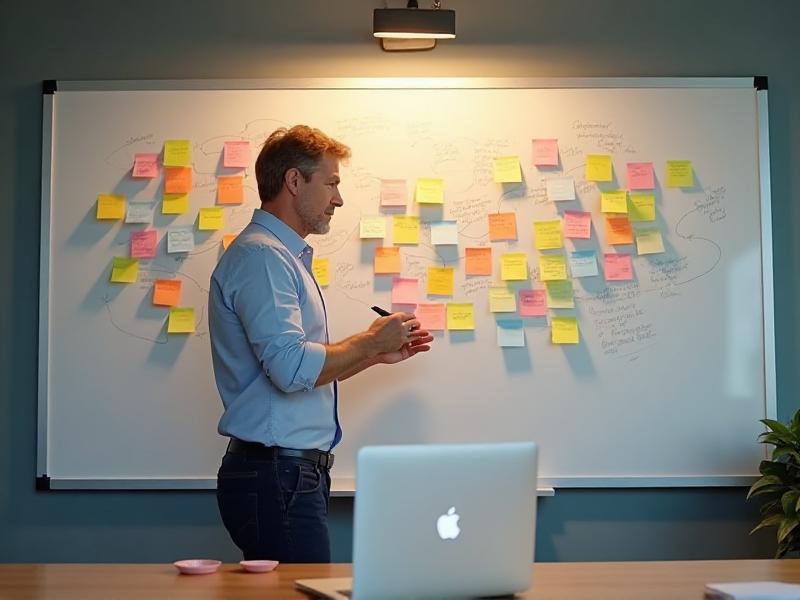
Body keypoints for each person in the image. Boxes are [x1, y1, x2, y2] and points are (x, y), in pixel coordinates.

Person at [208, 125, 433, 563]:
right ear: (294, 181)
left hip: (285, 475)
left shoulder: (278, 256)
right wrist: (368, 342)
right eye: (331, 183)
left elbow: (300, 370)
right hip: (278, 474)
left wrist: (373, 353)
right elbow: (292, 370)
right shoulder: (263, 257)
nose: (338, 198)